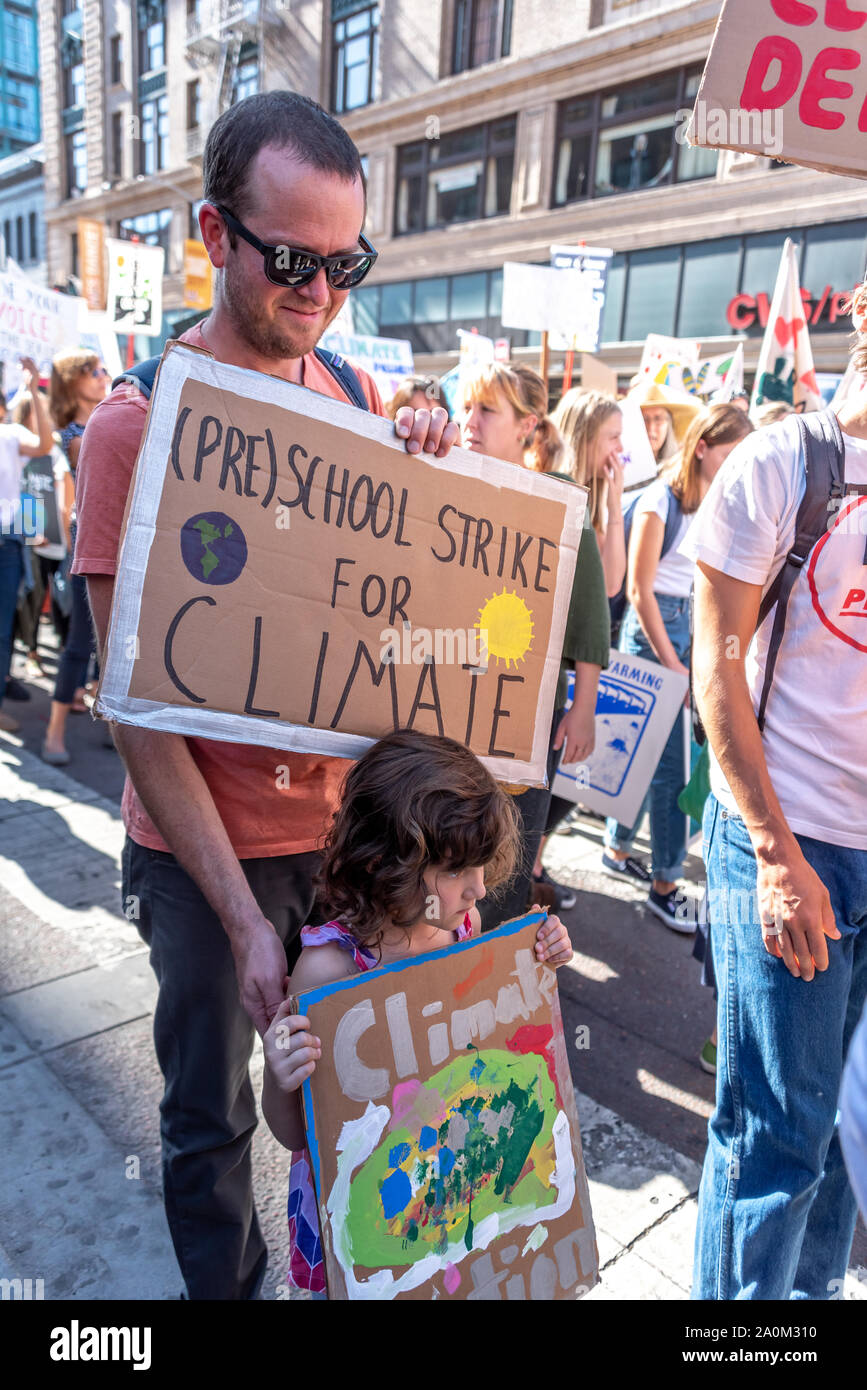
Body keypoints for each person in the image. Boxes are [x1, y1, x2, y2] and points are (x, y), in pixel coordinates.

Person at [72, 91, 459, 1301]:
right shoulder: (133, 431)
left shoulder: (350, 401)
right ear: (212, 234)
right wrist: (242, 919)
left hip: (345, 844)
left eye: (347, 262)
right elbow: (138, 711)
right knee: (214, 1122)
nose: (321, 290)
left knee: (366, 1101)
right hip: (203, 861)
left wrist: (431, 484)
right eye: (292, 259)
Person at [684, 280, 867, 1302]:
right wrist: (773, 855)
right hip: (797, 843)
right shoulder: (780, 465)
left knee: (847, 1132)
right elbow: (716, 675)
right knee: (775, 1137)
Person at [260, 728, 574, 1296]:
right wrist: (279, 1074)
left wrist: (539, 956)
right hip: (364, 1227)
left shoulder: (461, 930)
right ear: (384, 863)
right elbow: (297, 1134)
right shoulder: (328, 972)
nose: (478, 889)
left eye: (480, 867)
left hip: (442, 1206)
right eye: (456, 870)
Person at [459, 362, 610, 918]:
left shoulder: (561, 499)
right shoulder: (444, 475)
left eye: (487, 410)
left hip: (525, 709)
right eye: (467, 405)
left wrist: (584, 706)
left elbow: (589, 605)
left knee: (506, 849)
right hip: (449, 697)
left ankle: (490, 973)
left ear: (527, 426)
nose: (469, 420)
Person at [602, 403, 754, 928]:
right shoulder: (658, 500)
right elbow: (638, 592)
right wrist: (675, 666)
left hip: (685, 630)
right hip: (652, 636)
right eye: (733, 452)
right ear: (702, 447)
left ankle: (617, 849)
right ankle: (664, 884)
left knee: (644, 758)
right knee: (664, 766)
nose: (741, 464)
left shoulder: (716, 498)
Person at [40, 351, 110, 764]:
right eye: (94, 372)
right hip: (89, 542)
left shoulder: (104, 421)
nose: (103, 377)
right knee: (80, 644)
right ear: (73, 382)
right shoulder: (75, 435)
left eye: (103, 370)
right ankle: (54, 733)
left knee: (111, 648)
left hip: (112, 539)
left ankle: (110, 725)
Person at [0, 358, 54, 733]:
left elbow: (44, 444)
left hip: (8, 542)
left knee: (5, 629)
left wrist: (33, 390)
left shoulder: (10, 435)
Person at [12, 390, 72, 677]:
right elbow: (26, 489)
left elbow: (61, 487)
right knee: (33, 597)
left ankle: (65, 653)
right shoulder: (19, 444)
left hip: (58, 537)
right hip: (34, 538)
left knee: (60, 597)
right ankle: (32, 653)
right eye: (41, 410)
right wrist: (33, 531)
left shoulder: (55, 446)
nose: (48, 415)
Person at [551, 388, 625, 597]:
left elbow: (611, 584)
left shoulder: (590, 498)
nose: (620, 448)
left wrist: (615, 506)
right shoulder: (554, 490)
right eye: (614, 437)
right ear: (584, 439)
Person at [625, 379, 701, 465]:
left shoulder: (681, 469)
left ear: (669, 425)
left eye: (658, 419)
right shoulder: (621, 467)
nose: (651, 428)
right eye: (644, 419)